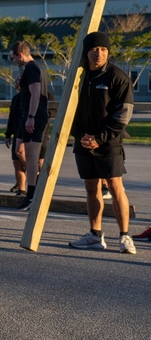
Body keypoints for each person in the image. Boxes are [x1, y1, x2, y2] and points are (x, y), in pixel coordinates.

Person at [67, 32, 136, 254]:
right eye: (94, 50)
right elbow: (70, 112)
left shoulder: (117, 76)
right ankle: (95, 235)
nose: (99, 54)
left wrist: (99, 138)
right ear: (86, 52)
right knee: (91, 187)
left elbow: (123, 115)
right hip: (84, 141)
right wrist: (81, 136)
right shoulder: (80, 76)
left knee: (115, 187)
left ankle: (125, 236)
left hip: (109, 142)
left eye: (104, 50)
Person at [10, 41, 50, 206]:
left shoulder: (32, 68)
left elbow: (36, 94)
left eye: (13, 58)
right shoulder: (30, 69)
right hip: (29, 115)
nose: (13, 62)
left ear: (20, 55)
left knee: (32, 157)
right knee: (25, 154)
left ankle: (32, 195)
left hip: (35, 117)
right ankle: (31, 193)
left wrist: (31, 116)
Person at [4, 83, 27, 196]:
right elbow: (12, 118)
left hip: (32, 135)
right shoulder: (16, 99)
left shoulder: (38, 96)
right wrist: (8, 135)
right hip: (18, 133)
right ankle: (21, 189)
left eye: (20, 80)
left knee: (36, 163)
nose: (17, 83)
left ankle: (37, 184)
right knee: (17, 162)